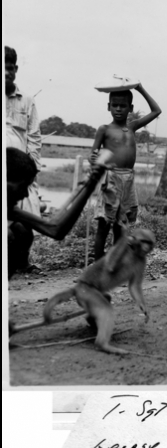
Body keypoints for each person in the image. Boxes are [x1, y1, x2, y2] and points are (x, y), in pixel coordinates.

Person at [7, 148, 107, 279]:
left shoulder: (9, 207)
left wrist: (90, 185)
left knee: (21, 230)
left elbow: (55, 230)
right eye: (22, 186)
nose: (25, 194)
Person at [89, 83, 161, 259]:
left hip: (128, 179)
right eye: (115, 105)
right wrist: (94, 160)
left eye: (123, 105)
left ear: (130, 108)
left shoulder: (132, 127)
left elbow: (156, 111)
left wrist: (140, 89)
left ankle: (114, 263)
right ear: (109, 107)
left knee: (121, 226)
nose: (118, 109)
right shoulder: (104, 129)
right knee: (104, 224)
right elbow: (94, 155)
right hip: (111, 178)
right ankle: (99, 265)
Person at [5, 46, 42, 218]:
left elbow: (34, 138)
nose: (5, 73)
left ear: (15, 69)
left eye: (9, 68)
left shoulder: (27, 100)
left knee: (23, 221)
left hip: (19, 171)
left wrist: (32, 170)